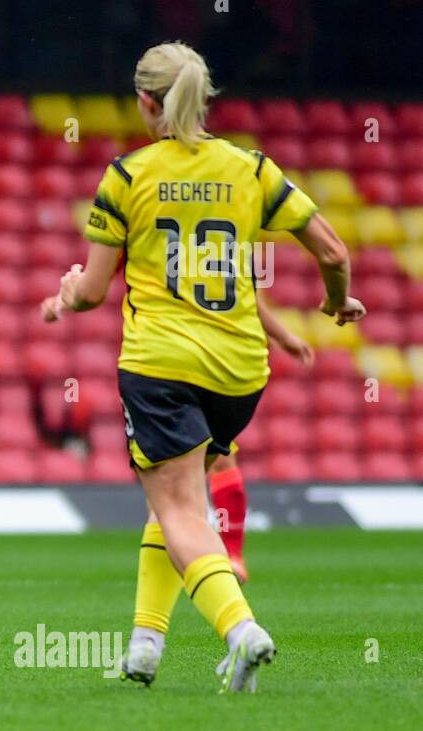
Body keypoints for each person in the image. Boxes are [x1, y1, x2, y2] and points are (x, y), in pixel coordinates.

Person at [40, 42, 365, 692]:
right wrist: (334, 302)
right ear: (204, 97)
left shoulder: (128, 177)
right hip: (241, 371)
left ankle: (242, 632)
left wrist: (65, 291)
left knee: (180, 506)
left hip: (162, 363)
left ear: (145, 102)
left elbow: (97, 291)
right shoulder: (250, 168)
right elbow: (330, 249)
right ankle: (145, 647)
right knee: (176, 498)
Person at [208, 295, 314, 583]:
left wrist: (281, 335)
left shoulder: (229, 251)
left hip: (211, 358)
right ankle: (176, 559)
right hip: (161, 361)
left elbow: (245, 293)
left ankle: (231, 555)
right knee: (167, 475)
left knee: (219, 457)